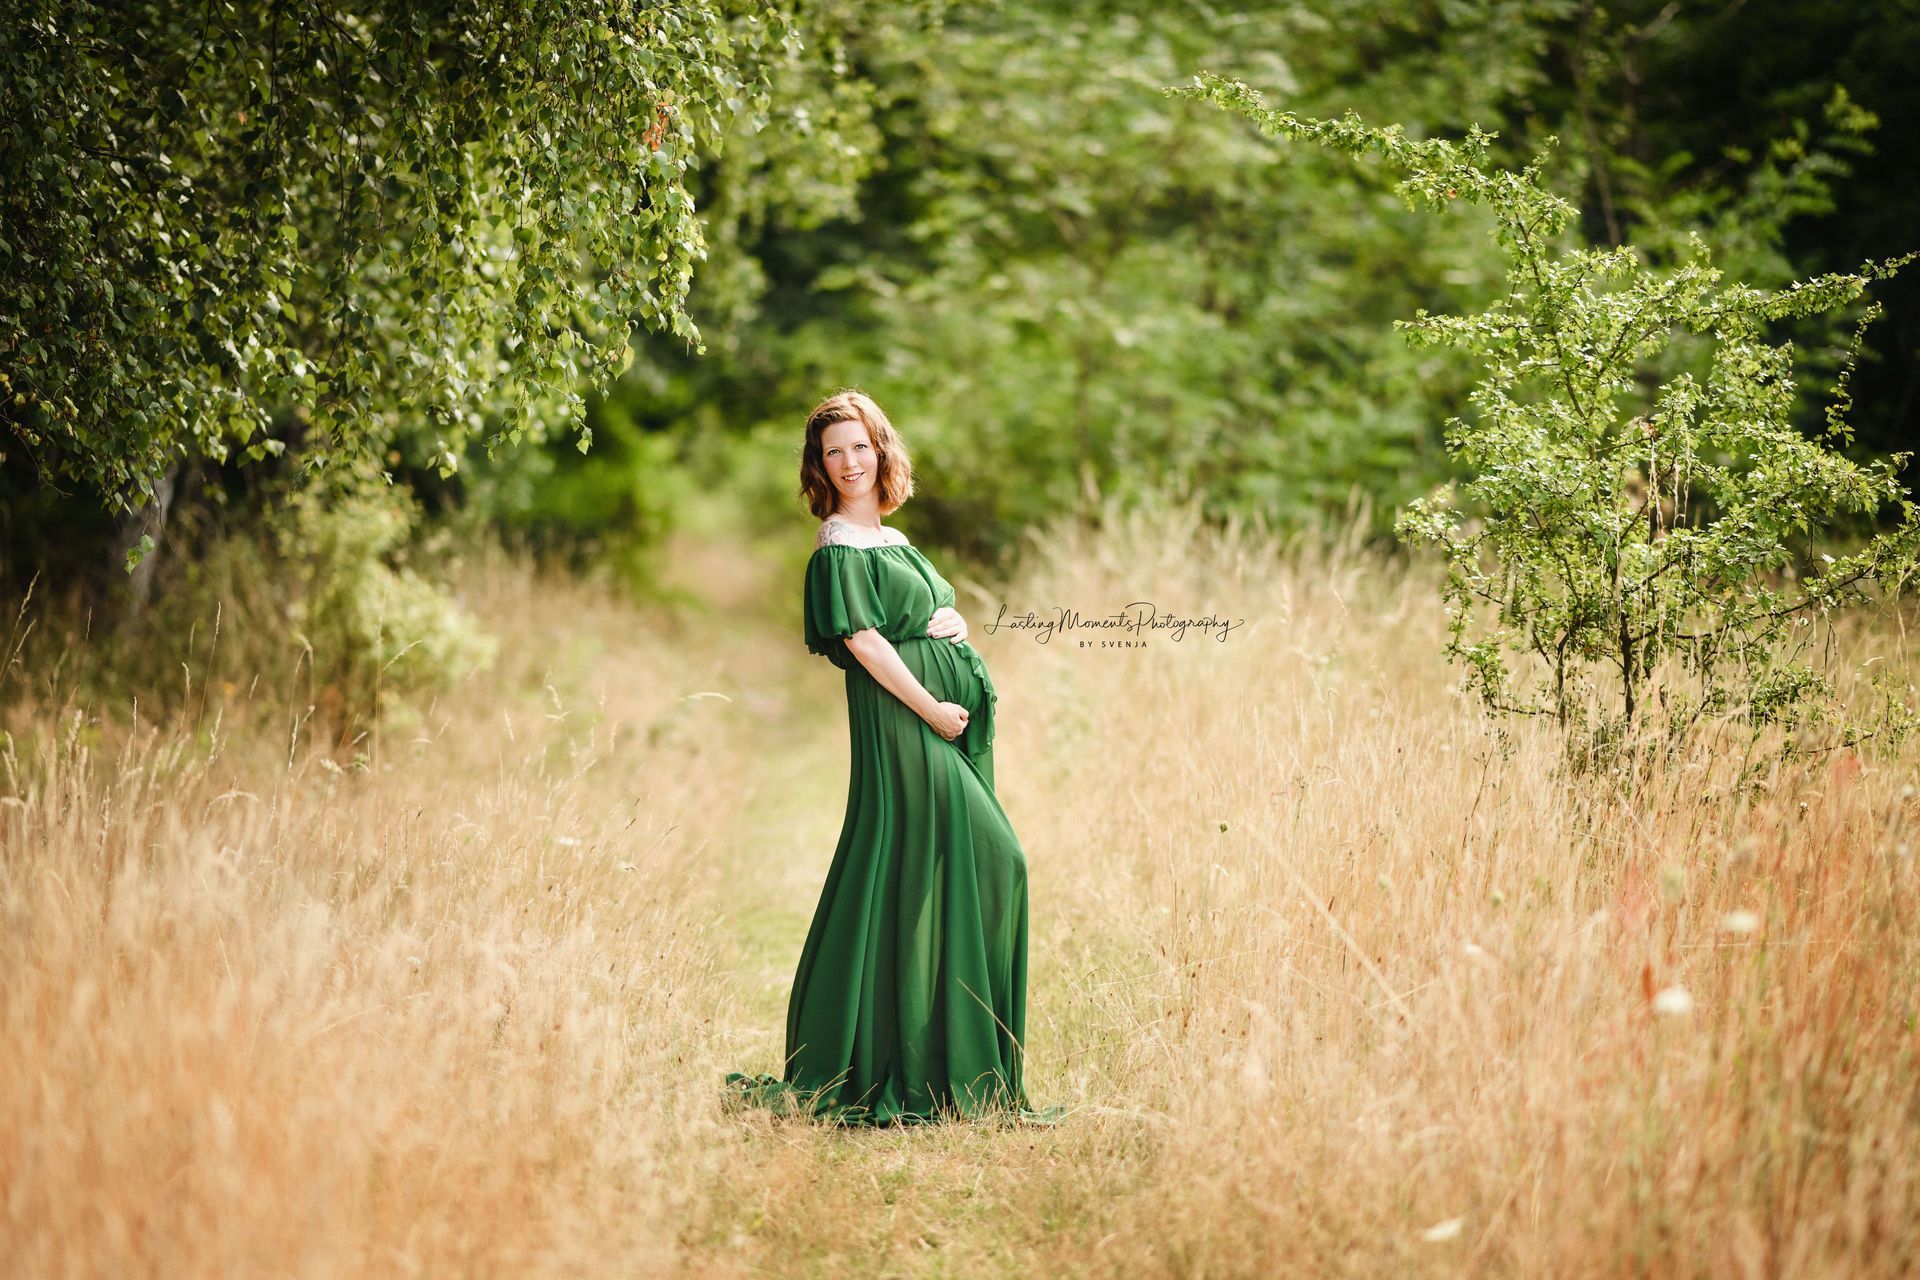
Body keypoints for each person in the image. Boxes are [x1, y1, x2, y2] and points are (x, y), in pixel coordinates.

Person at [725, 389, 1055, 1126]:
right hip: (903, 724)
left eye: (859, 446)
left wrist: (952, 620)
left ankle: (931, 1062)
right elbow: (865, 642)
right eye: (833, 451)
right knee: (995, 859)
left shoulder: (892, 539)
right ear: (820, 465)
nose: (848, 461)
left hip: (927, 720)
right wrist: (933, 708)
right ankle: (898, 1061)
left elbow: (912, 615)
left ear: (881, 451)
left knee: (920, 873)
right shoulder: (838, 542)